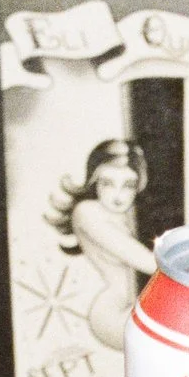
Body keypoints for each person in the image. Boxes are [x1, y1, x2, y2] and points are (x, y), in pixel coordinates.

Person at [46, 139, 159, 350]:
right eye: (107, 183)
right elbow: (150, 264)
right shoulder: (87, 212)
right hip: (113, 315)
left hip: (132, 307)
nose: (118, 195)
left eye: (128, 185)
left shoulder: (123, 214)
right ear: (93, 180)